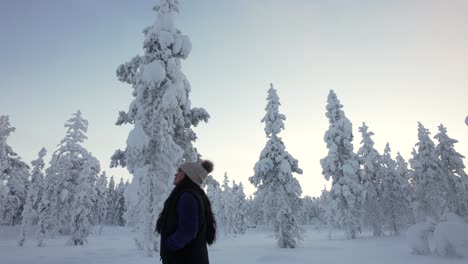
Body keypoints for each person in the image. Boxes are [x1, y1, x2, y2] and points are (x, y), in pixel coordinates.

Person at [156, 160, 217, 264]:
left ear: (188, 175)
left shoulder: (187, 196)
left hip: (184, 259)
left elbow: (188, 231)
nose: (176, 173)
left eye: (180, 170)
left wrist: (169, 245)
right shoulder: (193, 194)